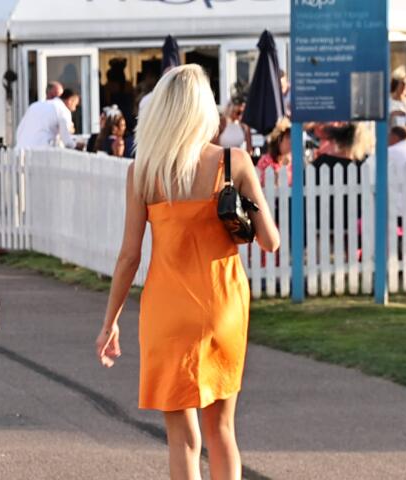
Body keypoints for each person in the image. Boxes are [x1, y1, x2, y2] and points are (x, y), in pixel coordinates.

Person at [97, 65, 280, 480]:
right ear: (204, 111)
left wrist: (110, 322)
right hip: (223, 303)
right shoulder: (233, 162)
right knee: (222, 429)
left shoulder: (143, 172)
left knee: (182, 437)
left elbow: (129, 256)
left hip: (168, 307)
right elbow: (270, 242)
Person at [15, 88, 80, 149]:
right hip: (40, 151)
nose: (74, 109)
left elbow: (20, 130)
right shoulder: (63, 110)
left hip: (20, 149)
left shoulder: (35, 105)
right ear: (70, 100)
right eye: (75, 105)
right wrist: (77, 146)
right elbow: (67, 141)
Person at [257, 121, 293, 185]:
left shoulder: (293, 161)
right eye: (288, 137)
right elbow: (267, 186)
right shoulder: (265, 161)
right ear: (278, 140)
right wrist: (282, 168)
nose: (291, 141)